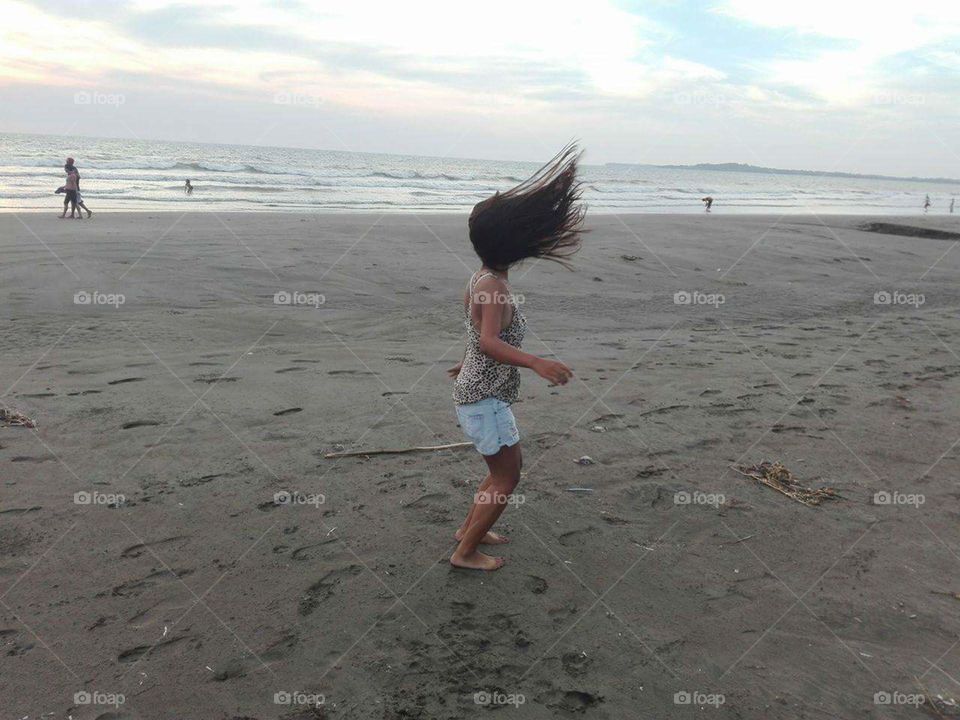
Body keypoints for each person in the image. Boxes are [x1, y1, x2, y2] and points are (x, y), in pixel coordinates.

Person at [447, 144, 585, 571]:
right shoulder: (494, 285)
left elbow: (476, 335)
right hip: (483, 397)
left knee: (501, 468)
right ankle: (465, 553)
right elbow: (488, 340)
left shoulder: (482, 278)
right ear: (520, 243)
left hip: (481, 392)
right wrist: (535, 362)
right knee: (508, 477)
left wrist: (466, 361)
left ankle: (470, 529)